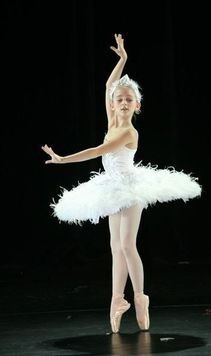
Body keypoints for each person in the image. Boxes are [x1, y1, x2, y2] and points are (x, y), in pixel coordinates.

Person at [41, 34, 202, 333]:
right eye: (120, 100)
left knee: (128, 244)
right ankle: (117, 300)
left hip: (129, 188)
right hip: (112, 187)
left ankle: (140, 298)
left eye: (129, 100)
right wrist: (123, 60)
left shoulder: (127, 132)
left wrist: (63, 160)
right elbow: (107, 86)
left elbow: (96, 152)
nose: (124, 103)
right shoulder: (112, 121)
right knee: (115, 246)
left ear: (137, 105)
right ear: (113, 105)